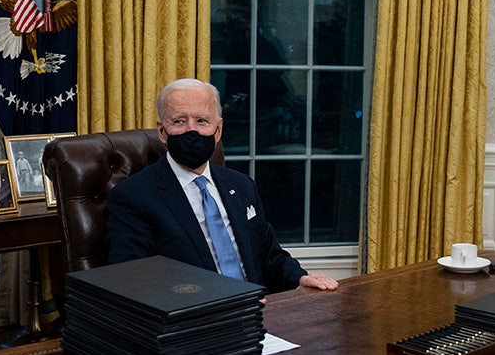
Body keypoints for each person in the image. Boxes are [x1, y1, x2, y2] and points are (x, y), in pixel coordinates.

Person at [107, 78, 338, 294]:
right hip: (196, 324)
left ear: (218, 130)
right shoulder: (134, 197)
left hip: (257, 315)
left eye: (202, 121)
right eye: (179, 121)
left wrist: (300, 278)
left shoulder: (241, 185)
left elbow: (269, 255)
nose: (191, 130)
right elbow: (136, 282)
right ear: (162, 132)